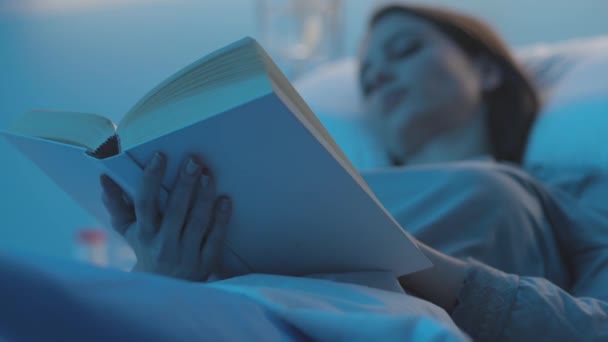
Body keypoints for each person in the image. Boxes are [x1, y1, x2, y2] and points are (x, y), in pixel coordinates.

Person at [100, 3, 608, 341]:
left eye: (404, 50)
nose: (379, 74)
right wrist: (160, 279)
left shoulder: (571, 191)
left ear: (488, 70)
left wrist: (412, 262)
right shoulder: (324, 185)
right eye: (366, 79)